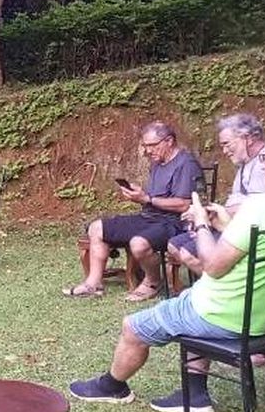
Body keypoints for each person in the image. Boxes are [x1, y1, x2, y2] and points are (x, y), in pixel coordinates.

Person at [68, 125, 265, 412]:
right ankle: (195, 394)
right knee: (192, 297)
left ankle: (112, 386)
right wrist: (226, 226)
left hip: (224, 313)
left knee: (133, 327)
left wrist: (200, 224)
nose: (263, 164)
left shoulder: (261, 207)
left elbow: (213, 265)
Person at [63, 122, 201, 301]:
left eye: (152, 145)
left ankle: (153, 282)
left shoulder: (186, 163)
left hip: (174, 222)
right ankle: (93, 284)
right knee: (96, 228)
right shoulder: (158, 162)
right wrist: (141, 194)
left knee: (139, 243)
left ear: (169, 141)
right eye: (145, 146)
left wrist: (147, 199)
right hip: (149, 216)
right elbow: (155, 196)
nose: (148, 151)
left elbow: (184, 204)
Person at [167, 114, 265, 273]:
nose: (224, 151)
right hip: (230, 224)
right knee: (174, 245)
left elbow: (255, 207)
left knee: (188, 253)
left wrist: (204, 214)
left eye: (227, 144)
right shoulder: (246, 162)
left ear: (247, 138)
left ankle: (220, 291)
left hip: (251, 233)